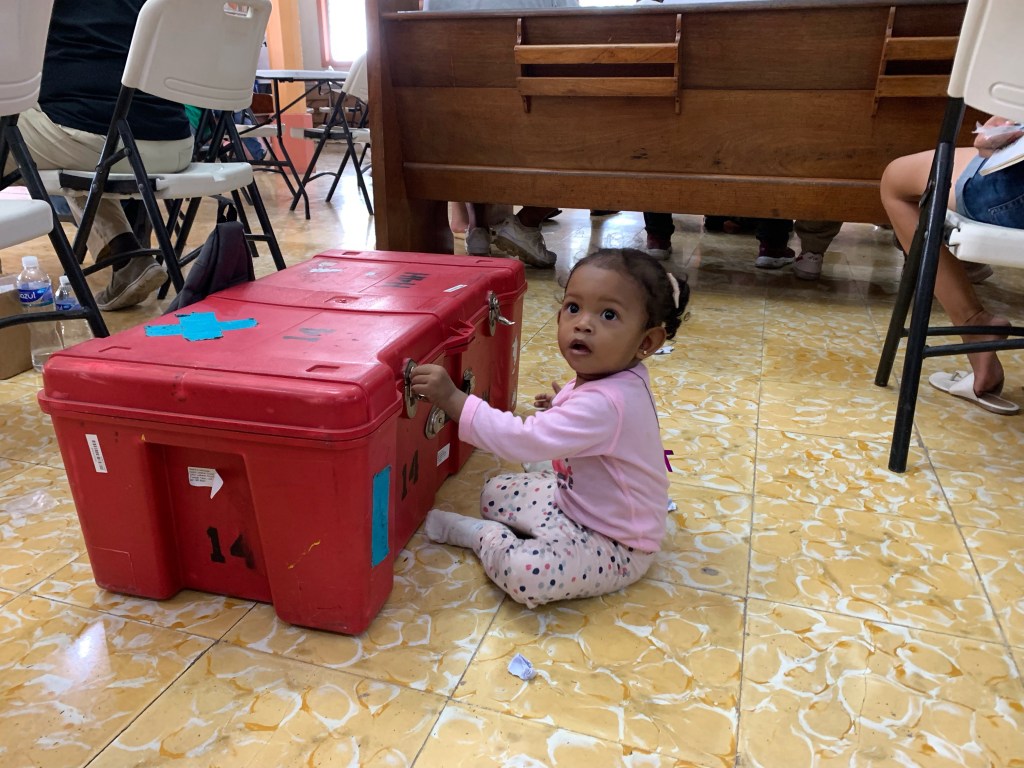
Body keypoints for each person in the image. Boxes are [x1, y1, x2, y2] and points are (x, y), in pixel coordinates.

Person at [410, 249, 688, 606]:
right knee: (494, 492)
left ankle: (483, 537)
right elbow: (594, 417)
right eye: (573, 307)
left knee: (526, 574)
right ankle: (529, 511)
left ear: (646, 342)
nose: (583, 323)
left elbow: (521, 441)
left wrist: (453, 399)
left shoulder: (606, 402)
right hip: (573, 501)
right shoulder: (612, 375)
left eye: (608, 314)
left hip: (616, 542)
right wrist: (561, 404)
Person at [5, 0, 195, 311]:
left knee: (24, 131)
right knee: (68, 144)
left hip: (105, 139)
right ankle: (125, 255)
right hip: (175, 140)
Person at [880, 115, 1024, 414]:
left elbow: (993, 131)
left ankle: (975, 324)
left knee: (895, 180)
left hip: (1012, 200)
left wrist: (1004, 129)